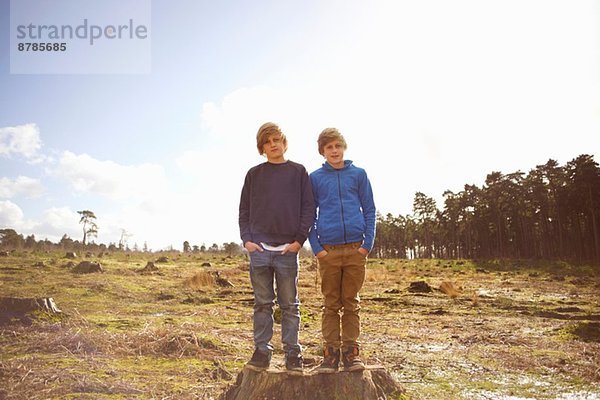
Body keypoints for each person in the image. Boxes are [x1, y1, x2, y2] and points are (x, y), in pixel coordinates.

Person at [238, 122, 315, 375]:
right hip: (259, 251)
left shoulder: (298, 172)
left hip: (287, 252)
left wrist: (298, 242)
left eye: (277, 140)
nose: (273, 145)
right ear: (262, 148)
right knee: (262, 304)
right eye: (268, 141)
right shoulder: (254, 174)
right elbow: (244, 211)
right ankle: (262, 352)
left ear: (284, 143)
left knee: (290, 305)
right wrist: (247, 240)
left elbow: (308, 209)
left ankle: (293, 354)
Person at [308, 127, 376, 373]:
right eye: (329, 147)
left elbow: (369, 210)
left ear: (344, 147)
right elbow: (308, 215)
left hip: (355, 249)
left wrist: (366, 245)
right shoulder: (314, 178)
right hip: (328, 251)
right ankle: (330, 354)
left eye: (337, 146)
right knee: (330, 304)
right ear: (323, 151)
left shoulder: (358, 174)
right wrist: (317, 248)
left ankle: (351, 353)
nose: (334, 151)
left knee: (351, 302)